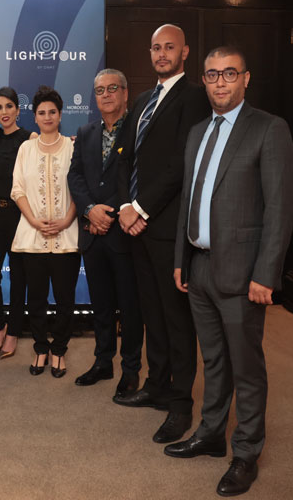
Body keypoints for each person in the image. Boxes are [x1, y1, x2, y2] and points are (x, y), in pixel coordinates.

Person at [165, 46, 293, 497]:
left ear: (246, 78)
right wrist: (181, 258)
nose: (220, 82)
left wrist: (266, 274)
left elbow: (280, 208)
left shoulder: (269, 129)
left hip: (243, 274)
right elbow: (188, 201)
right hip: (199, 267)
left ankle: (246, 453)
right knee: (214, 360)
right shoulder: (198, 132)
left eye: (229, 74)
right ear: (203, 80)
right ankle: (210, 433)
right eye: (212, 75)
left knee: (246, 366)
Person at [114, 24, 211, 445]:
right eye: (156, 47)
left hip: (167, 227)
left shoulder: (194, 98)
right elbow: (125, 158)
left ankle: (180, 404)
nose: (161, 54)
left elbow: (181, 163)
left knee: (176, 318)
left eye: (169, 47)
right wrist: (125, 207)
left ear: (184, 52)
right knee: (150, 312)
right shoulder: (141, 100)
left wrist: (140, 208)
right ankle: (156, 384)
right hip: (136, 227)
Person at [67, 69, 144, 397]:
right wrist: (89, 209)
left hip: (124, 232)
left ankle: (131, 369)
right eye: (100, 90)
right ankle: (103, 361)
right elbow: (75, 176)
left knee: (129, 306)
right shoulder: (85, 132)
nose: (107, 95)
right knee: (100, 304)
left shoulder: (139, 129)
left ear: (125, 93)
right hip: (92, 231)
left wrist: (108, 212)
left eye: (113, 88)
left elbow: (139, 176)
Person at [11, 86, 80, 378]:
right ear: (35, 117)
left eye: (52, 112)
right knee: (36, 299)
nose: (48, 116)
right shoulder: (26, 149)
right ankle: (41, 348)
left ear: (60, 115)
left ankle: (59, 350)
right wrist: (34, 221)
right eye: (42, 112)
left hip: (67, 236)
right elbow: (17, 189)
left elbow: (81, 188)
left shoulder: (73, 147)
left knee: (65, 300)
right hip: (32, 237)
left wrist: (66, 220)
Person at [0, 87, 30, 359]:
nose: (4, 112)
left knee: (18, 278)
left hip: (19, 215)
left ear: (18, 110)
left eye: (9, 106)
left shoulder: (29, 139)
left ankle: (13, 331)